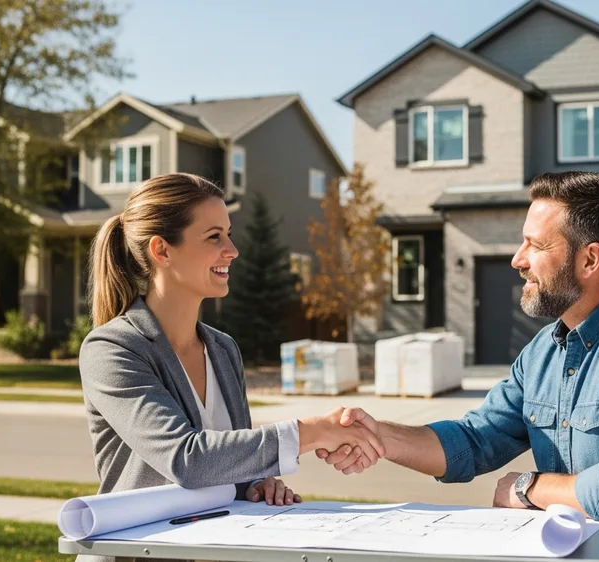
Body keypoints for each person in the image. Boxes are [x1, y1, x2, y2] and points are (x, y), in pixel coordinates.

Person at [318, 171, 599, 561]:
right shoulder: (543, 352)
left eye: (536, 245)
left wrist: (528, 486)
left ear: (590, 260)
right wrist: (377, 435)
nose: (519, 259)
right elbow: (474, 441)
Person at [77, 173, 383, 562]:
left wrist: (255, 484)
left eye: (229, 234)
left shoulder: (222, 349)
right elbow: (187, 460)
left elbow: (228, 465)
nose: (232, 250)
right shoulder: (113, 349)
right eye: (214, 237)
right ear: (162, 250)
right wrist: (313, 431)